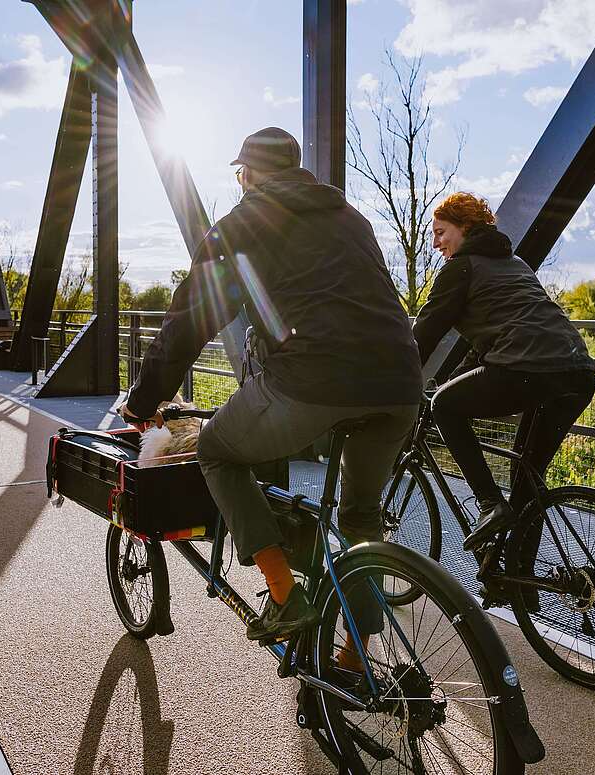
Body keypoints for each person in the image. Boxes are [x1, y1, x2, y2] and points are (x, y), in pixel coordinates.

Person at [123, 127, 423, 650]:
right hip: (399, 382)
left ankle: (284, 595)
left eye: (240, 173)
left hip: (313, 378)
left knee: (217, 450)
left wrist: (145, 400)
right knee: (360, 513)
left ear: (249, 174)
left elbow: (190, 320)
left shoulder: (243, 222)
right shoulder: (351, 218)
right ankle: (357, 654)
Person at [412, 192, 595, 551]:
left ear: (464, 228)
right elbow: (492, 344)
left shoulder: (460, 268)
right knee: (528, 479)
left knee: (444, 407)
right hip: (576, 371)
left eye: (440, 232)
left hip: (530, 368)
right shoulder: (515, 262)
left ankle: (489, 503)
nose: (435, 243)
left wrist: (394, 378)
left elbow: (424, 335)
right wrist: (451, 381)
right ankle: (520, 578)